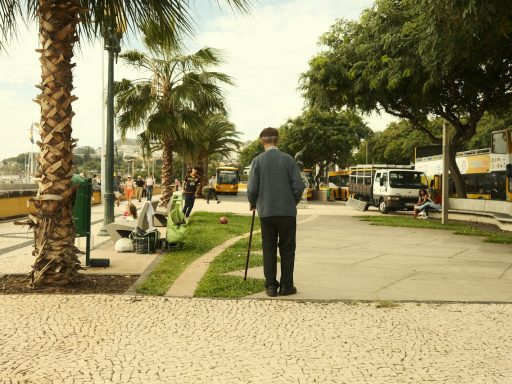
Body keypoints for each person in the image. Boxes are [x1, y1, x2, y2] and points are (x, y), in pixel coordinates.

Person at [247, 127, 305, 297]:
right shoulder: (288, 160)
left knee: (269, 248)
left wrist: (253, 202)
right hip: (287, 212)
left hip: (266, 212)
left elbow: (251, 188)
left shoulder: (257, 161)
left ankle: (271, 286)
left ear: (262, 141)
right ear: (277, 140)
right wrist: (291, 201)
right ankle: (287, 286)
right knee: (287, 249)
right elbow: (299, 186)